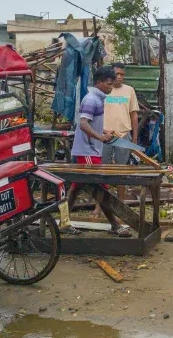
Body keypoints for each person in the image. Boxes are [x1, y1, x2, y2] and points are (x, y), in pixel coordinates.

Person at [65, 66, 132, 237]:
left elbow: (92, 123)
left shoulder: (98, 98)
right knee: (101, 187)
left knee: (76, 186)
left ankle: (63, 223)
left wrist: (104, 132)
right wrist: (99, 137)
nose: (111, 87)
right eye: (109, 84)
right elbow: (83, 124)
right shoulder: (91, 100)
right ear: (99, 83)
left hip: (91, 149)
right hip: (88, 151)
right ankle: (115, 225)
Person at [90, 62, 139, 217]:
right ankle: (99, 206)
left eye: (122, 74)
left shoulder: (129, 90)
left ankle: (120, 204)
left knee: (121, 172)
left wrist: (135, 138)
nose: (119, 77)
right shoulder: (103, 91)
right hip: (103, 136)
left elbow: (134, 114)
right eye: (117, 74)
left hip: (123, 135)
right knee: (101, 172)